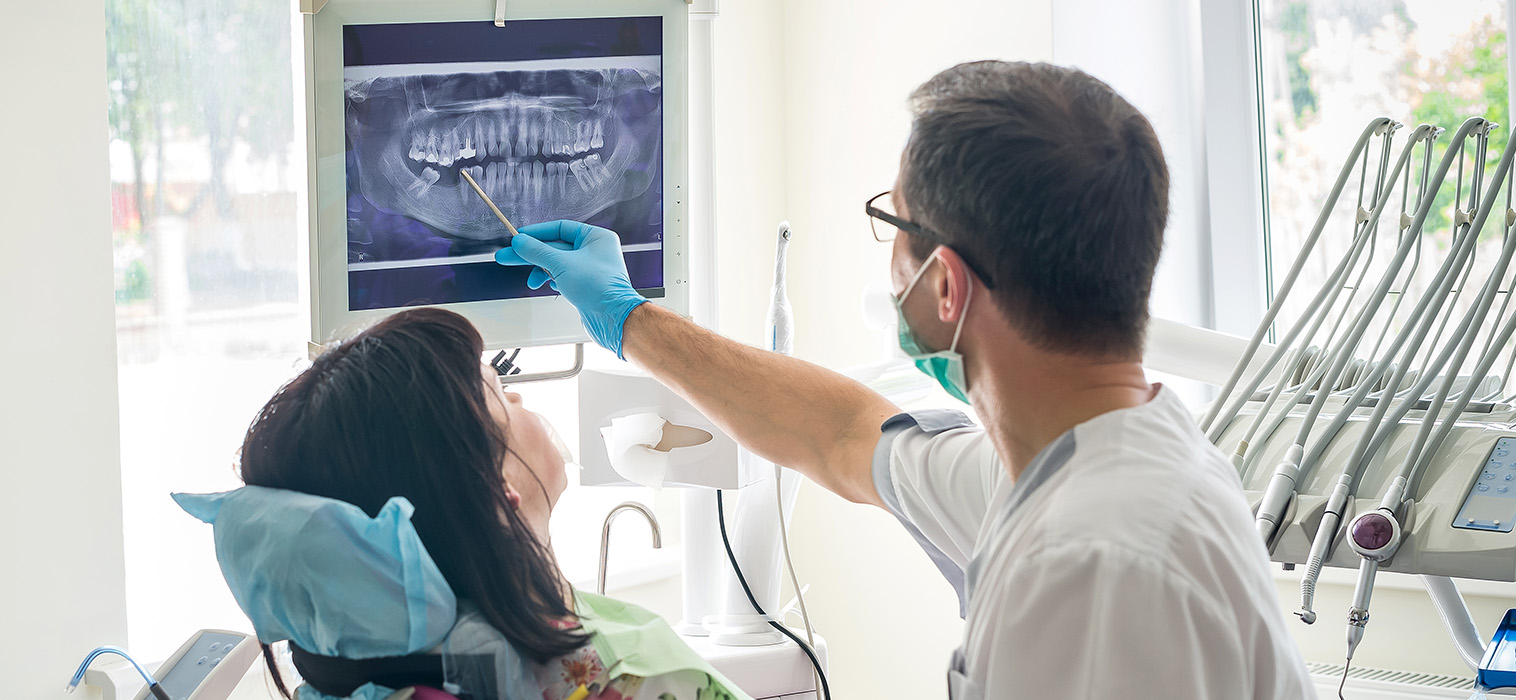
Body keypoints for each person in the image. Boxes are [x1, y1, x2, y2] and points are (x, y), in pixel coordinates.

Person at [494, 61, 1314, 699]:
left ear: (948, 287)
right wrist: (629, 318)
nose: (886, 259)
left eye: (892, 222)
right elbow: (842, 434)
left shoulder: (1089, 566)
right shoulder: (1080, 463)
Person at [177, 308, 751, 700]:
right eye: (499, 393)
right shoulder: (631, 678)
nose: (521, 395)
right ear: (496, 494)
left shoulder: (359, 677)